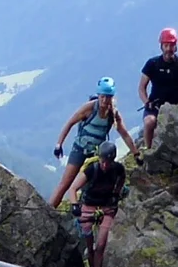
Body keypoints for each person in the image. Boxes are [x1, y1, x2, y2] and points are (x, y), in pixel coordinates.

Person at [48, 78, 137, 208]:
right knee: (65, 183)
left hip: (97, 154)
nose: (104, 100)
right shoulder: (89, 108)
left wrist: (136, 153)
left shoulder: (114, 113)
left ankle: (87, 210)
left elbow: (124, 133)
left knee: (93, 182)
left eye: (108, 97)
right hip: (80, 148)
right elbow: (70, 123)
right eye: (102, 97)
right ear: (99, 95)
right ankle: (49, 210)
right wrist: (58, 144)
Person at [66, 140, 126, 267]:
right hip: (88, 207)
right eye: (103, 161)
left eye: (108, 162)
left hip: (107, 208)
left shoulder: (118, 169)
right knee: (89, 244)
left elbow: (122, 179)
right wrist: (75, 205)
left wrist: (116, 194)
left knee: (100, 244)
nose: (105, 165)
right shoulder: (91, 170)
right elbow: (73, 189)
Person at [138, 27, 178, 149]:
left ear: (176, 46)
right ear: (161, 46)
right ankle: (148, 150)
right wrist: (147, 102)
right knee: (149, 122)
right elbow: (141, 87)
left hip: (176, 106)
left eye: (171, 45)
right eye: (166, 45)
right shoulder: (152, 64)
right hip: (155, 105)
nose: (169, 49)